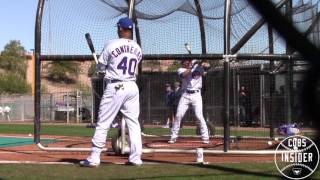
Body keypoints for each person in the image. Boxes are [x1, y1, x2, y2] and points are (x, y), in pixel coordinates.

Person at [80, 17, 143, 167]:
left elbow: (100, 66)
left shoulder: (111, 44)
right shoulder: (138, 48)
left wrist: (103, 70)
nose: (118, 29)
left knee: (103, 122)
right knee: (133, 123)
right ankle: (135, 158)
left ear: (121, 29)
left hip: (116, 86)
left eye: (118, 28)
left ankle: (95, 157)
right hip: (132, 86)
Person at [168, 59, 210, 144]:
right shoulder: (181, 69)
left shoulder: (195, 64)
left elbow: (206, 68)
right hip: (185, 94)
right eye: (186, 61)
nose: (188, 62)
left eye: (189, 61)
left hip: (196, 95)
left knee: (199, 115)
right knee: (179, 115)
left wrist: (201, 65)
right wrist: (192, 67)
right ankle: (173, 137)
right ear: (183, 63)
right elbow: (184, 75)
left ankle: (205, 137)